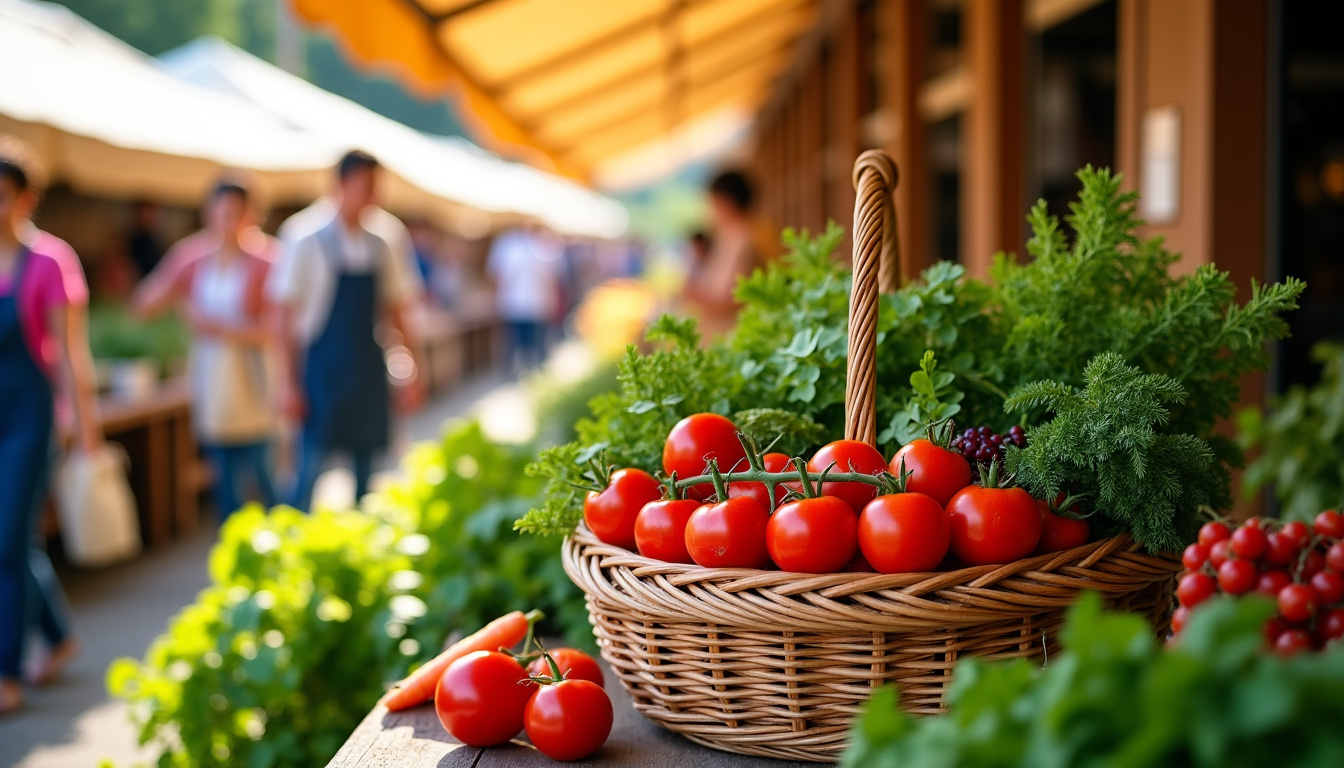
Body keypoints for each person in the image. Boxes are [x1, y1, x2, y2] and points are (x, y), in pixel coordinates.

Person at [0, 135, 98, 715]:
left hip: (30, 416)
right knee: (15, 540)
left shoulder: (49, 261)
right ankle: (60, 637)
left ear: (25, 198)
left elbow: (69, 354)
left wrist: (87, 432)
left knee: (7, 545)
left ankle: (7, 673)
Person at [269, 150, 424, 511]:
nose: (373, 196)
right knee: (308, 471)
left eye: (376, 188)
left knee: (367, 470)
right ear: (340, 185)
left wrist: (411, 369)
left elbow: (396, 310)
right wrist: (287, 384)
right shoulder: (304, 237)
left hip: (368, 369)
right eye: (365, 187)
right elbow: (284, 317)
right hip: (320, 370)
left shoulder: (384, 238)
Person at [133, 179, 277, 522]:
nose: (229, 222)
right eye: (223, 213)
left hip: (256, 381)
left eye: (237, 214)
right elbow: (144, 303)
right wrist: (177, 297)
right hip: (213, 383)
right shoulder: (193, 256)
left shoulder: (266, 259)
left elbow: (276, 331)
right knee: (224, 480)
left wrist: (216, 327)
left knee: (264, 475)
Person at [683, 170, 778, 338]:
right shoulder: (731, 233)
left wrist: (696, 296)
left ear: (726, 202)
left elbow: (736, 299)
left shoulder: (749, 237)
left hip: (739, 334)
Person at [486, 224, 565, 373]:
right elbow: (554, 278)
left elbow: (496, 275)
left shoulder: (507, 245)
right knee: (533, 346)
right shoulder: (543, 245)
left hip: (517, 304)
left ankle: (516, 373)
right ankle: (534, 375)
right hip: (533, 304)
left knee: (516, 344)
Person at [126, 200, 164, 279]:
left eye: (150, 214)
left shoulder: (157, 241)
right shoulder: (130, 240)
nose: (147, 217)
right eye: (144, 213)